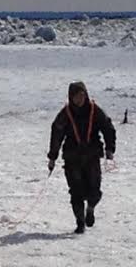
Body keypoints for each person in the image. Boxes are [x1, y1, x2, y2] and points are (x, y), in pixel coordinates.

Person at [47, 81, 116, 234]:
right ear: (71, 97)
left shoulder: (94, 110)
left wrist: (110, 148)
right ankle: (80, 222)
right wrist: (52, 157)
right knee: (76, 192)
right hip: (72, 158)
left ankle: (90, 208)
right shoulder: (65, 114)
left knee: (94, 191)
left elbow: (108, 127)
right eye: (77, 96)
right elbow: (56, 134)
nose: (80, 99)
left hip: (92, 156)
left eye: (82, 95)